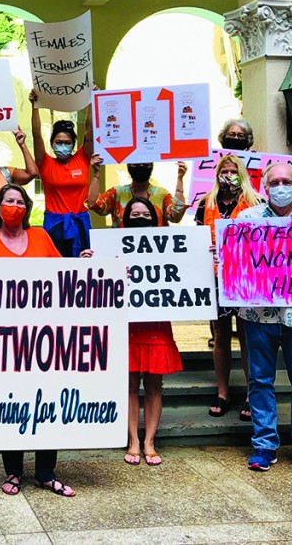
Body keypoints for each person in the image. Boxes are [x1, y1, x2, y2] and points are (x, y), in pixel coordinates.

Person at [0, 183, 75, 497]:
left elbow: (64, 278)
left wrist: (87, 264)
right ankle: (13, 473)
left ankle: (46, 472)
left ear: (27, 207)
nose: (14, 205)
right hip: (3, 341)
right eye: (8, 200)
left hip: (44, 339)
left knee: (47, 403)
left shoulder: (42, 237)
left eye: (19, 201)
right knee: (10, 405)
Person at [236, 161, 292, 477]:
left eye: (287, 181)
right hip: (259, 315)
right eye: (275, 182)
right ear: (265, 187)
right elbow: (239, 263)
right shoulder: (247, 220)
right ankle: (264, 444)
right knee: (260, 379)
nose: (281, 187)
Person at [115, 198, 182, 466]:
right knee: (130, 385)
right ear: (125, 217)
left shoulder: (167, 245)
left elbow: (185, 271)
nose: (140, 217)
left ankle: (149, 442)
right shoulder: (114, 245)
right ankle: (133, 441)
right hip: (128, 322)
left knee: (155, 386)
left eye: (145, 214)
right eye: (135, 213)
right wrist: (90, 260)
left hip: (156, 323)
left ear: (153, 219)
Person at [195, 154, 260, 421]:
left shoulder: (255, 203)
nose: (229, 176)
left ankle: (249, 394)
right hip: (215, 279)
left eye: (234, 171)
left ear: (241, 174)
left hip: (244, 280)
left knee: (247, 337)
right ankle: (223, 393)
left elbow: (263, 242)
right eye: (224, 171)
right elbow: (196, 238)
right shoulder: (205, 203)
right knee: (220, 338)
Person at [29, 90, 94, 257]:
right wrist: (34, 106)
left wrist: (91, 100)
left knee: (84, 266)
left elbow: (90, 130)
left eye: (67, 142)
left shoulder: (82, 158)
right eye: (58, 142)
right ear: (52, 144)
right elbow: (36, 134)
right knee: (55, 268)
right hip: (54, 225)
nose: (63, 146)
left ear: (73, 144)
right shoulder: (45, 162)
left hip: (80, 223)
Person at [87, 157, 188, 228]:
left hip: (155, 250)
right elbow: (94, 204)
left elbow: (176, 216)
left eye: (145, 164)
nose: (140, 166)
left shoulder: (161, 194)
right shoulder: (117, 192)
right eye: (136, 164)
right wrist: (96, 173)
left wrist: (180, 178)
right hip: (123, 249)